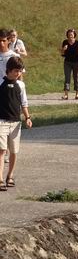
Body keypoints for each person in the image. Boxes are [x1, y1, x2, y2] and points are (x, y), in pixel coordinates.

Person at [0, 57, 32, 191]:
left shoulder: (21, 85)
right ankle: (0, 178)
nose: (17, 74)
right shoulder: (1, 83)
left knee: (13, 151)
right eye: (15, 71)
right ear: (8, 70)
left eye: (19, 71)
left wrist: (27, 117)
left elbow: (24, 103)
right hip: (1, 121)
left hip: (15, 122)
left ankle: (10, 175)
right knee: (1, 150)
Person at [61, 28, 78, 100]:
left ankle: (77, 94)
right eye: (69, 34)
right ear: (67, 35)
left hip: (77, 63)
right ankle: (66, 94)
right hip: (67, 63)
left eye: (72, 34)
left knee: (76, 78)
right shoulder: (65, 42)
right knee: (67, 78)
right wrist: (64, 49)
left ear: (74, 35)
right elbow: (62, 53)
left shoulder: (77, 43)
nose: (70, 35)